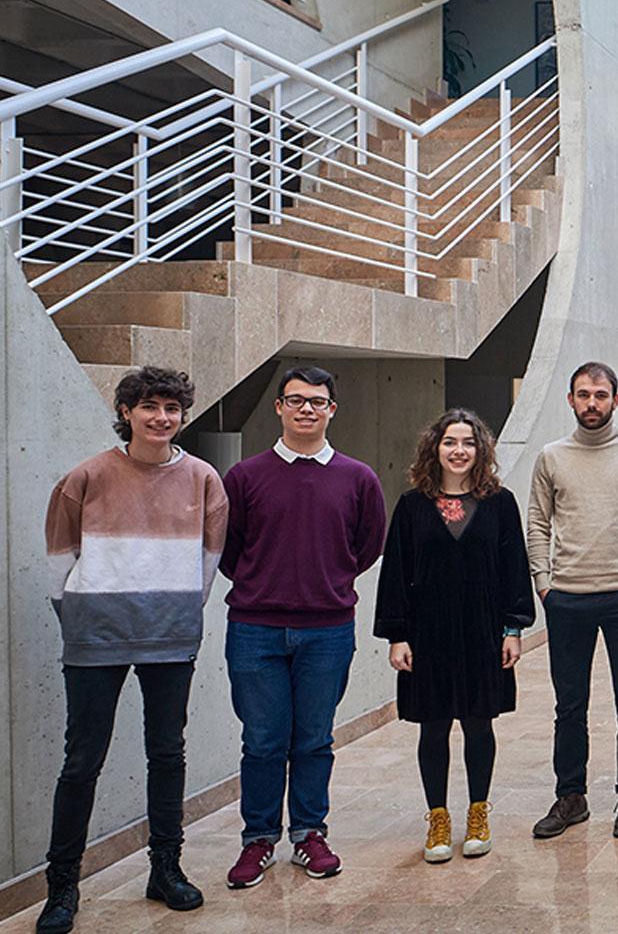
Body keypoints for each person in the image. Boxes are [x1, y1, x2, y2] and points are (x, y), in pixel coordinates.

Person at [37, 367, 226, 933]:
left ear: (182, 415)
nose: (160, 418)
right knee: (81, 761)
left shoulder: (202, 478)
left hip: (170, 637)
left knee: (167, 753)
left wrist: (179, 611)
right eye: (148, 407)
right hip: (94, 637)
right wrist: (80, 617)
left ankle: (165, 869)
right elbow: (58, 561)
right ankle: (62, 886)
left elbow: (208, 562)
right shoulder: (87, 476)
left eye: (171, 408)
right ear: (126, 412)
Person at [220, 366, 387, 888]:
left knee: (314, 740)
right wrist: (267, 582)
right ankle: (259, 840)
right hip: (256, 628)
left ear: (332, 410)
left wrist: (325, 581)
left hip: (328, 629)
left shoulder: (358, 478)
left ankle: (309, 834)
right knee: (264, 740)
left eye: (317, 402)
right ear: (279, 408)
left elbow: (368, 545)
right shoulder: (244, 477)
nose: (307, 409)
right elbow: (229, 550)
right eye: (296, 401)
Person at [375, 409, 536, 864]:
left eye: (467, 442)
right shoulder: (411, 506)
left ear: (480, 450)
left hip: (483, 630)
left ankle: (479, 812)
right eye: (450, 442)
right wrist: (397, 635)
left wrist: (513, 628)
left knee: (479, 722)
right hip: (428, 633)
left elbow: (513, 570)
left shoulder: (500, 503)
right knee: (434, 725)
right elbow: (396, 574)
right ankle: (439, 817)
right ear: (435, 448)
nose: (459, 450)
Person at [527, 361, 618, 841]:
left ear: (616, 400)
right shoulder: (551, 456)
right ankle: (571, 796)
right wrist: (544, 583)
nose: (592, 403)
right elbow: (538, 523)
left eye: (601, 395)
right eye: (583, 394)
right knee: (570, 705)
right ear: (570, 399)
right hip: (566, 596)